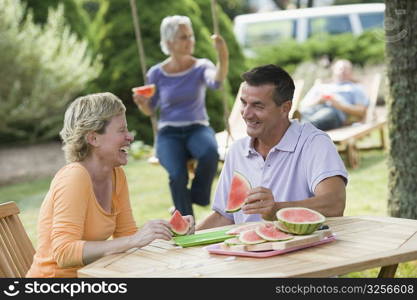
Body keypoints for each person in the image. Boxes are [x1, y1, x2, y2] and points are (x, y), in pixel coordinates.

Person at [26, 92, 194, 278]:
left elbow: (127, 238)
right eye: (121, 130)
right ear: (93, 139)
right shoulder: (74, 177)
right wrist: (133, 240)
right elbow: (64, 252)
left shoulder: (115, 175)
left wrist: (165, 231)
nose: (129, 137)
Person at [196, 64, 347, 230]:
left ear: (285, 108)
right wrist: (186, 237)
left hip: (299, 249)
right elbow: (225, 217)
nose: (246, 113)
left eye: (257, 106)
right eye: (244, 103)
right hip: (247, 252)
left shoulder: (314, 143)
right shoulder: (237, 151)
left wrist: (278, 209)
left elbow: (334, 203)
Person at [132, 15, 229, 217]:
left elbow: (216, 82)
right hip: (169, 132)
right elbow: (151, 110)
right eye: (184, 37)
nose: (190, 41)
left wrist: (223, 58)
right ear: (169, 43)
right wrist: (142, 104)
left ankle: (198, 196)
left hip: (197, 127)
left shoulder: (202, 66)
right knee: (177, 175)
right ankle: (186, 223)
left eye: (190, 36)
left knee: (210, 152)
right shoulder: (156, 73)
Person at [299, 59, 369, 131]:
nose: (343, 71)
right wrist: (318, 101)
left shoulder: (355, 88)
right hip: (312, 110)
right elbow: (303, 105)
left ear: (351, 72)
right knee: (304, 112)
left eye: (346, 69)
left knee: (316, 119)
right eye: (340, 68)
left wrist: (339, 105)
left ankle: (299, 130)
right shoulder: (320, 86)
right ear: (334, 70)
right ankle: (299, 129)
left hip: (334, 112)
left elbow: (361, 111)